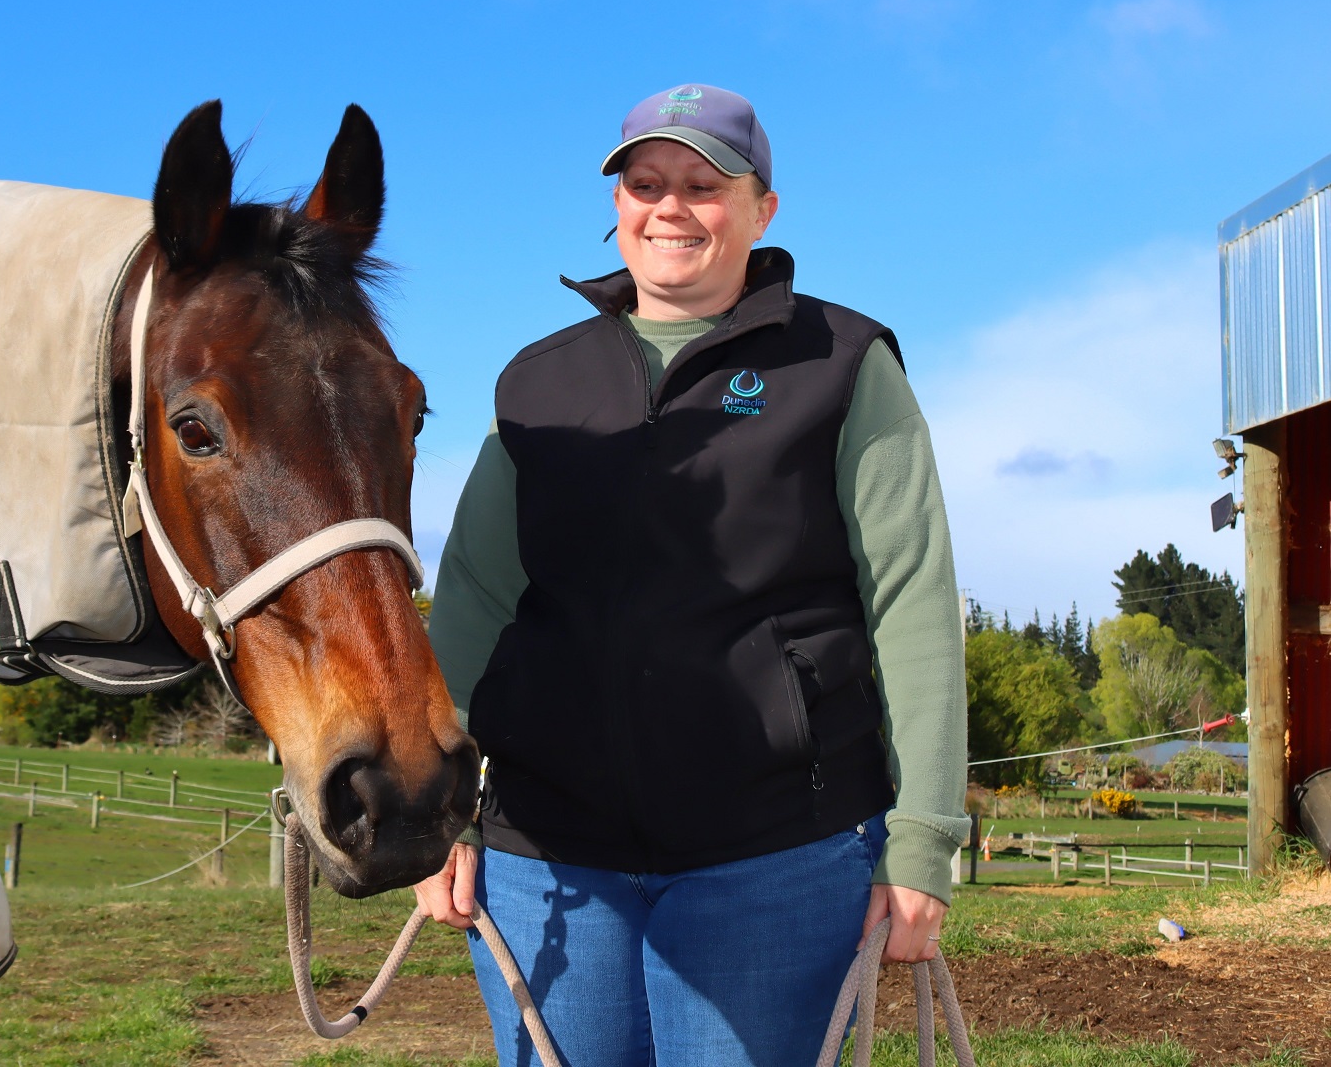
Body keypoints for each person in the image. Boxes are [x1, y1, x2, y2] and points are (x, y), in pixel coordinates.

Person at [414, 85, 970, 1066]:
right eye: (645, 182)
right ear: (619, 206)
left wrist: (922, 835)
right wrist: (437, 810)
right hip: (548, 863)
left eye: (704, 185)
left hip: (775, 860)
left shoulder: (843, 364)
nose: (670, 207)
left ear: (762, 210)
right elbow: (473, 598)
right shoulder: (539, 384)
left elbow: (912, 597)